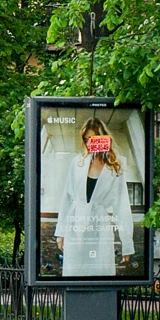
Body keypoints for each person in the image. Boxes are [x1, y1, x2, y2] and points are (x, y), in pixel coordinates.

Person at [55, 118, 135, 276]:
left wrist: (127, 244)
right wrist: (61, 232)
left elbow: (122, 207)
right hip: (76, 224)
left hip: (100, 227)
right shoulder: (77, 163)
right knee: (74, 274)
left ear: (103, 139)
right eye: (85, 140)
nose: (88, 144)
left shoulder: (114, 168)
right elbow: (67, 199)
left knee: (100, 273)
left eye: (92, 139)